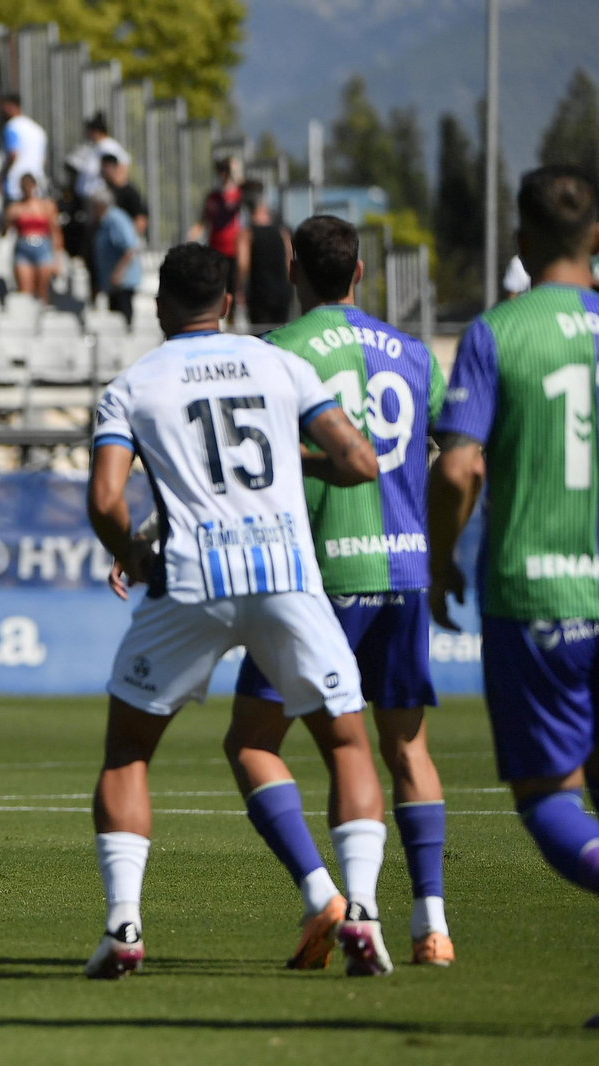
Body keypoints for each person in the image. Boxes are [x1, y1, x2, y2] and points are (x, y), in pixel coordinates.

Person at [85, 242, 387, 980]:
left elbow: (104, 501)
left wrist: (135, 555)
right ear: (229, 302)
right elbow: (358, 462)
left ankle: (124, 928)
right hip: (286, 574)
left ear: (160, 305)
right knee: (346, 744)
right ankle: (366, 917)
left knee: (129, 753)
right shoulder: (281, 364)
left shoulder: (132, 385)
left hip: (190, 579)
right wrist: (294, 459)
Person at [232, 215, 453, 966]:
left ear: (294, 272)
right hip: (406, 569)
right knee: (406, 747)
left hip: (318, 579)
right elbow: (452, 452)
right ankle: (432, 925)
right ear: (360, 274)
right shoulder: (418, 355)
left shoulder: (277, 353)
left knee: (254, 740)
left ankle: (327, 894)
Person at [429, 168, 599, 1007]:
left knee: (547, 798)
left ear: (522, 246)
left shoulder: (500, 332)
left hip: (536, 594)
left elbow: (458, 465)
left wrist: (440, 558)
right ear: (596, 239)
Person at [193, 157, 244, 319]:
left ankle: (232, 319)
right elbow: (204, 220)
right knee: (215, 286)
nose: (223, 176)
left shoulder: (238, 195)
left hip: (233, 249)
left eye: (225, 172)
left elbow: (247, 189)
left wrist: (235, 175)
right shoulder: (212, 198)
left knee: (232, 288)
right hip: (215, 248)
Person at [238, 181, 294, 330]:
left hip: (259, 295)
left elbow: (242, 266)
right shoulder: (282, 232)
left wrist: (240, 290)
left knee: (261, 337)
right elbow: (289, 261)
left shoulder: (247, 235)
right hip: (282, 294)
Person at [3, 173, 62, 303]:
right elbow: (4, 231)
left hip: (43, 247)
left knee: (42, 290)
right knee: (25, 292)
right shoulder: (15, 207)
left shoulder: (46, 206)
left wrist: (57, 258)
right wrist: (8, 219)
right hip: (24, 247)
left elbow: (55, 231)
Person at [91, 188, 141, 326]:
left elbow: (130, 248)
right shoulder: (104, 221)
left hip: (122, 282)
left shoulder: (116, 220)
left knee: (123, 320)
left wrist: (118, 273)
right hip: (112, 284)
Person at [0, 93, 49, 205]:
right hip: (36, 186)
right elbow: (43, 160)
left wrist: (1, 177)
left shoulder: (11, 127)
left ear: (11, 106)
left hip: (15, 186)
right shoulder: (37, 129)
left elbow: (12, 155)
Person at [65, 113, 129, 201]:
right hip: (88, 198)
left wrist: (117, 189)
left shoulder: (108, 146)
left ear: (98, 131)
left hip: (99, 198)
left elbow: (122, 166)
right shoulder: (94, 146)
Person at [101, 153, 148, 237]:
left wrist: (128, 239)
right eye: (103, 167)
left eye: (108, 167)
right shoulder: (103, 191)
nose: (105, 171)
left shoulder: (129, 192)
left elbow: (141, 219)